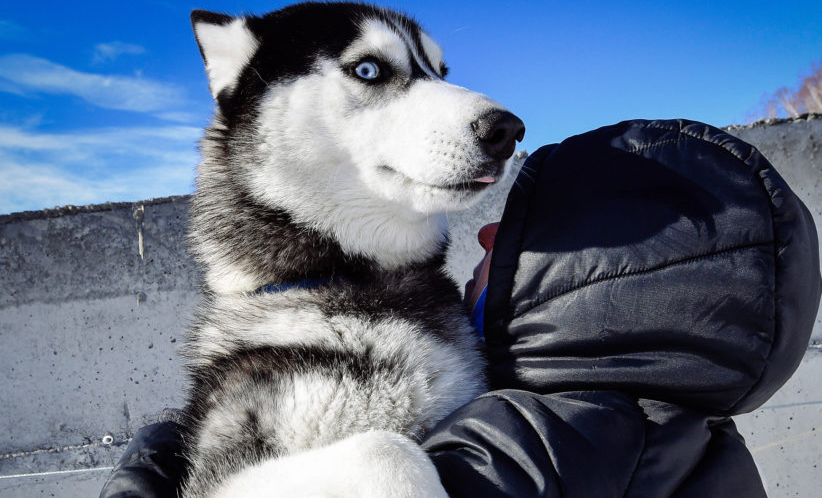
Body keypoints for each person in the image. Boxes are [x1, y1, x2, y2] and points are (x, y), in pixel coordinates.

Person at [100, 119, 820, 497]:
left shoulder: (542, 441)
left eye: (517, 235)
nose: (481, 235)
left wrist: (155, 458)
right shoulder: (673, 431)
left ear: (597, 273)